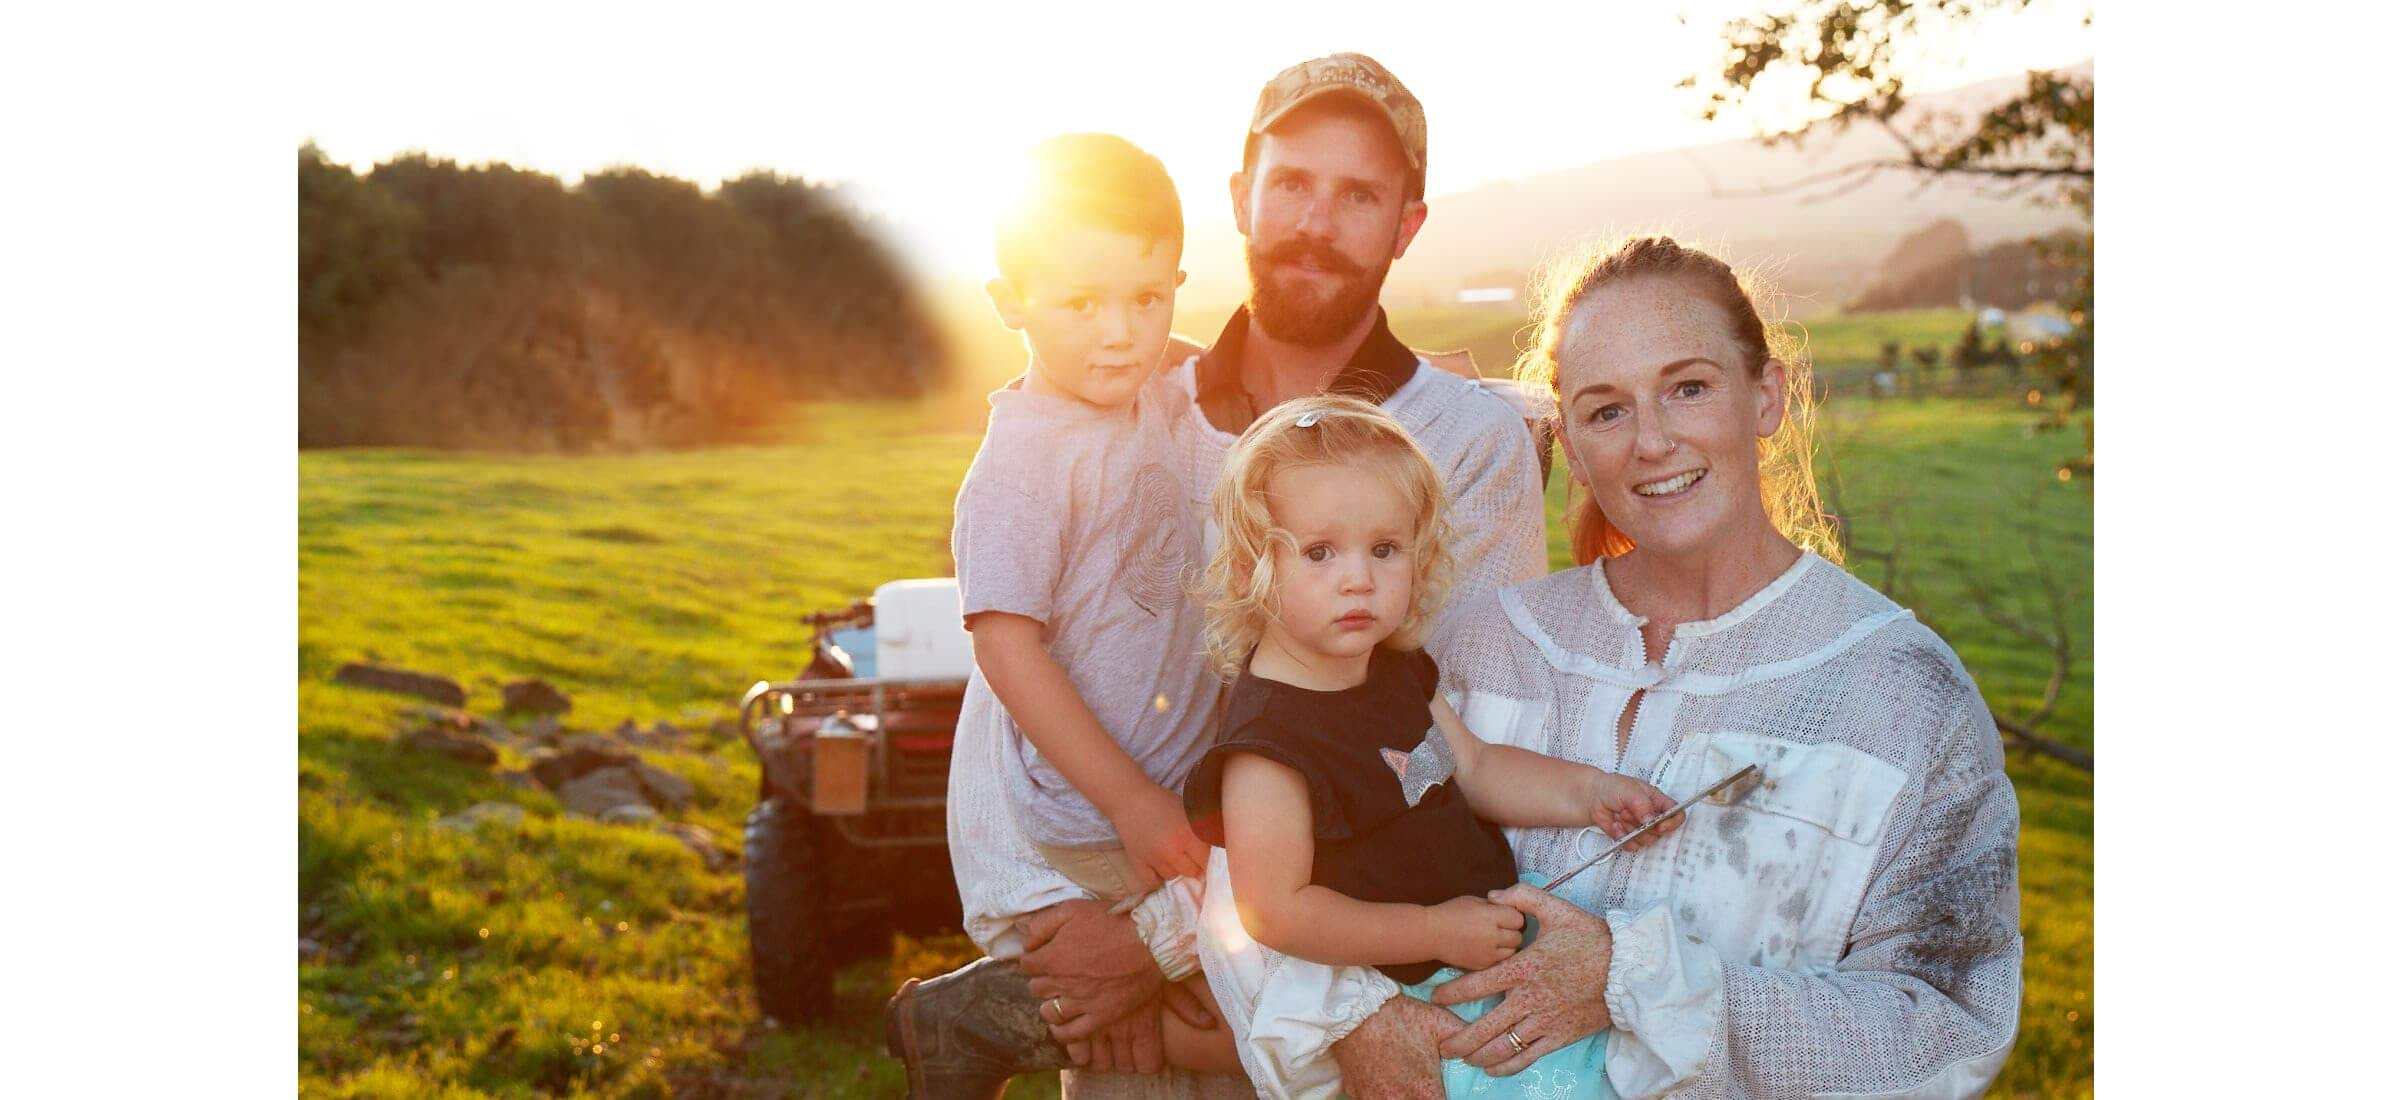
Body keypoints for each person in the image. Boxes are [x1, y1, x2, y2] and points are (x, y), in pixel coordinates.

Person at [1209, 236, 2024, 1098]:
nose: (1652, 442)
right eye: (1606, 411)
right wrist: (1360, 1027)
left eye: (1689, 388)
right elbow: (1257, 872)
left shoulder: (1904, 697)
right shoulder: (1479, 645)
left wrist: (1638, 983)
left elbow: (1950, 1028)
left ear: (1767, 395)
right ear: (1571, 436)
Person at [887, 53, 1550, 1099]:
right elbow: (1014, 661)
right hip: (1122, 916)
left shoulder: (1460, 442)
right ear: (1240, 196)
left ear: (1407, 224)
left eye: (1358, 194)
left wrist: (1150, 947)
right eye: (1290, 183)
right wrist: (1048, 920)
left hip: (1340, 962)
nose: (1314, 221)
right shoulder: (1131, 395)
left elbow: (1439, 737)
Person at [1181, 396, 1683, 1098]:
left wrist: (1590, 792)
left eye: (1385, 549)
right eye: (1320, 552)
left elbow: (1473, 767)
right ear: (1247, 567)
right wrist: (1433, 932)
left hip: (1480, 946)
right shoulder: (1268, 744)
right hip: (1418, 994)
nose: (1360, 579)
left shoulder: (1390, 669)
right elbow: (1277, 911)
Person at [884, 133, 1241, 1095]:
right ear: (1010, 303)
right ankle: (971, 1023)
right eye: (1081, 303)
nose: (1122, 332)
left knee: (1194, 1022)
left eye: (1147, 296)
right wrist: (1129, 800)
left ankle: (981, 1023)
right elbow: (1006, 645)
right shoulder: (1024, 459)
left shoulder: (1175, 385)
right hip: (1089, 812)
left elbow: (1296, 380)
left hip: (1170, 782)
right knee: (1135, 1036)